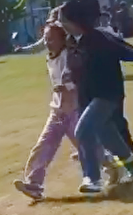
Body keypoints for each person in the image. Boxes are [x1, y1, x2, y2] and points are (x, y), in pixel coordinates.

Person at [57, 0, 133, 195]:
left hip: (107, 93)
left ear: (75, 20)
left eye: (63, 20)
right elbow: (75, 64)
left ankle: (92, 178)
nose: (61, 24)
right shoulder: (72, 41)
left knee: (83, 130)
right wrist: (68, 76)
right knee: (106, 133)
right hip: (86, 95)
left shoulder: (100, 38)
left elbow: (124, 50)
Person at [12, 23, 81, 201]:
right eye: (45, 39)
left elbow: (77, 81)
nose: (47, 43)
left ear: (62, 40)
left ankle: (116, 166)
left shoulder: (69, 57)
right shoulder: (51, 58)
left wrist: (66, 86)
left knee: (89, 148)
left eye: (51, 39)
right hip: (57, 112)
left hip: (74, 111)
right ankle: (34, 184)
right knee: (43, 146)